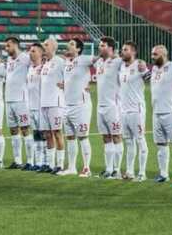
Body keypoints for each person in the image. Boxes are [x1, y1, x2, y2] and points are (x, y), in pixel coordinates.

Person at [60, 38, 95, 177]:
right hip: (67, 105)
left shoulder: (84, 59)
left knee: (83, 137)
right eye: (69, 43)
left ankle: (87, 168)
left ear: (79, 49)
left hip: (81, 105)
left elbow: (99, 59)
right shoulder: (67, 63)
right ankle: (72, 167)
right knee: (70, 137)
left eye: (72, 44)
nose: (69, 45)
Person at [149, 45, 172, 183]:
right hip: (156, 112)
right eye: (152, 54)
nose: (153, 57)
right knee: (161, 145)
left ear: (163, 53)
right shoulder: (154, 69)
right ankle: (163, 174)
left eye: (155, 54)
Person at [119, 41, 150, 181]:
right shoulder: (121, 66)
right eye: (122, 49)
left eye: (125, 50)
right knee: (128, 142)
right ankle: (130, 172)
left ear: (133, 52)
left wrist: (145, 70)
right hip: (123, 110)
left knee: (140, 140)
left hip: (136, 109)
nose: (122, 51)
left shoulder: (139, 65)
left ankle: (142, 173)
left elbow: (150, 80)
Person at [95, 36, 124, 179]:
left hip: (113, 106)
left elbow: (131, 62)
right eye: (100, 45)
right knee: (106, 138)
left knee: (116, 136)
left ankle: (117, 170)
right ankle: (109, 168)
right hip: (100, 106)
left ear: (111, 48)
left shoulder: (118, 61)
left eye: (103, 45)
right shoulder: (99, 62)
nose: (100, 47)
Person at [3, 37, 33, 170]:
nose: (6, 48)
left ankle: (31, 161)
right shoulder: (9, 60)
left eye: (8, 45)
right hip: (9, 100)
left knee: (25, 129)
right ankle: (17, 160)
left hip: (21, 100)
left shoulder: (26, 58)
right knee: (13, 130)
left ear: (15, 45)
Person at [40, 38, 66, 174]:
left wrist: (66, 84)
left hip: (56, 103)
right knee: (47, 134)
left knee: (57, 133)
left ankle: (60, 165)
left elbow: (70, 77)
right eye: (43, 45)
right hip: (44, 103)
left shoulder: (60, 62)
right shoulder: (45, 63)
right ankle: (50, 165)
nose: (44, 47)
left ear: (53, 47)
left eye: (46, 45)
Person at [26, 43, 45, 171]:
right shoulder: (30, 68)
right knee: (36, 135)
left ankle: (46, 162)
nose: (30, 53)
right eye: (30, 51)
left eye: (33, 51)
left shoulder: (44, 68)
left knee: (44, 135)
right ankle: (38, 162)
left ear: (40, 53)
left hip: (42, 106)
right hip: (31, 106)